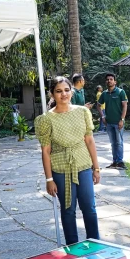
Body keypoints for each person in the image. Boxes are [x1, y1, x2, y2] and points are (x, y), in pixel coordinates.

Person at [36, 76, 101, 245]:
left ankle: (96, 244)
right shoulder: (46, 119)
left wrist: (97, 168)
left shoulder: (82, 112)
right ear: (52, 94)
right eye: (58, 91)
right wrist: (49, 179)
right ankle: (72, 247)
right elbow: (46, 150)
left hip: (83, 165)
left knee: (89, 208)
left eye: (66, 90)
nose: (63, 94)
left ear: (71, 91)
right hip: (60, 167)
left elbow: (89, 140)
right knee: (68, 210)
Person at [98, 72, 128, 169]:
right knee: (113, 143)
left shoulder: (120, 92)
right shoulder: (104, 94)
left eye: (111, 79)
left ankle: (120, 162)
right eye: (107, 79)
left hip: (118, 122)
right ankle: (114, 161)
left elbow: (124, 106)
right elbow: (98, 105)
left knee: (119, 142)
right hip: (109, 122)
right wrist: (103, 117)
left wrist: (122, 119)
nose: (109, 81)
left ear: (115, 81)